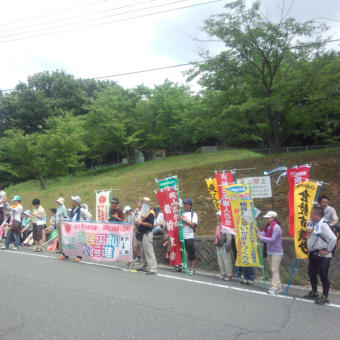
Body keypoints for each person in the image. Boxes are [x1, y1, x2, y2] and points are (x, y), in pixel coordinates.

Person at [304, 206, 337, 305]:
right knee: (311, 273)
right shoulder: (312, 223)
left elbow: (333, 239)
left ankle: (325, 296)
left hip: (323, 254)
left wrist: (327, 250)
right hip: (314, 252)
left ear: (318, 215)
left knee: (323, 275)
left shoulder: (323, 225)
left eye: (312, 213)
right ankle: (314, 292)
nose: (310, 215)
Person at [257, 211, 283, 295]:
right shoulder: (267, 226)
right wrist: (258, 232)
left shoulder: (276, 227)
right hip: (269, 250)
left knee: (274, 269)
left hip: (277, 252)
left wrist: (261, 237)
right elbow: (263, 234)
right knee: (274, 270)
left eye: (268, 217)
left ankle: (275, 287)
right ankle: (278, 287)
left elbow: (272, 239)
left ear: (273, 218)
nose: (267, 219)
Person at [58, 196, 91, 262]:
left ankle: (79, 256)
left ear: (76, 202)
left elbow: (89, 216)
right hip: (71, 228)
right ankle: (65, 254)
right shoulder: (73, 209)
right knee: (69, 241)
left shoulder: (81, 210)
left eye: (73, 201)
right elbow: (70, 218)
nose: (72, 202)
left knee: (79, 242)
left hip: (79, 229)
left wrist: (84, 223)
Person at [136, 197, 157, 275]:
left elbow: (150, 224)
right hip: (142, 233)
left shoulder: (150, 213)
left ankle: (153, 268)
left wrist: (140, 223)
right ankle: (145, 266)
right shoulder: (144, 212)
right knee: (143, 252)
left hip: (147, 233)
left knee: (149, 251)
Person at [181, 198, 198, 275]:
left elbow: (193, 225)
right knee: (184, 253)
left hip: (189, 236)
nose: (184, 205)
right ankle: (186, 266)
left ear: (190, 205)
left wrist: (185, 220)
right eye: (184, 204)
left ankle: (192, 268)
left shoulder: (193, 214)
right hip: (182, 236)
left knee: (191, 253)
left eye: (186, 204)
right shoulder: (181, 213)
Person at [215, 211, 233, 281]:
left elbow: (229, 236)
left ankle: (229, 274)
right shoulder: (219, 224)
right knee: (220, 259)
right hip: (219, 244)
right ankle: (223, 273)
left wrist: (228, 245)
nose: (217, 217)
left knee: (226, 259)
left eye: (218, 215)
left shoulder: (226, 224)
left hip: (224, 244)